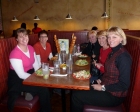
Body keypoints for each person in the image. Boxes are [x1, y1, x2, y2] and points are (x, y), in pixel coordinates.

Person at [71, 26, 132, 112]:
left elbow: (124, 85)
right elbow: (108, 72)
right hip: (106, 87)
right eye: (109, 37)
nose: (111, 39)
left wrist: (102, 87)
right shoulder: (113, 52)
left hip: (114, 96)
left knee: (76, 97)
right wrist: (100, 79)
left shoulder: (123, 56)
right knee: (76, 91)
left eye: (114, 37)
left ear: (121, 38)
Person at [7, 28, 51, 112]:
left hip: (29, 75)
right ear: (16, 39)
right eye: (21, 37)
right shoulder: (15, 53)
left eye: (26, 35)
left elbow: (36, 65)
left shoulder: (30, 48)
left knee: (46, 83)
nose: (24, 38)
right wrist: (38, 78)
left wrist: (42, 73)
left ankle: (29, 92)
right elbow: (21, 74)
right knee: (43, 90)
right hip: (18, 81)